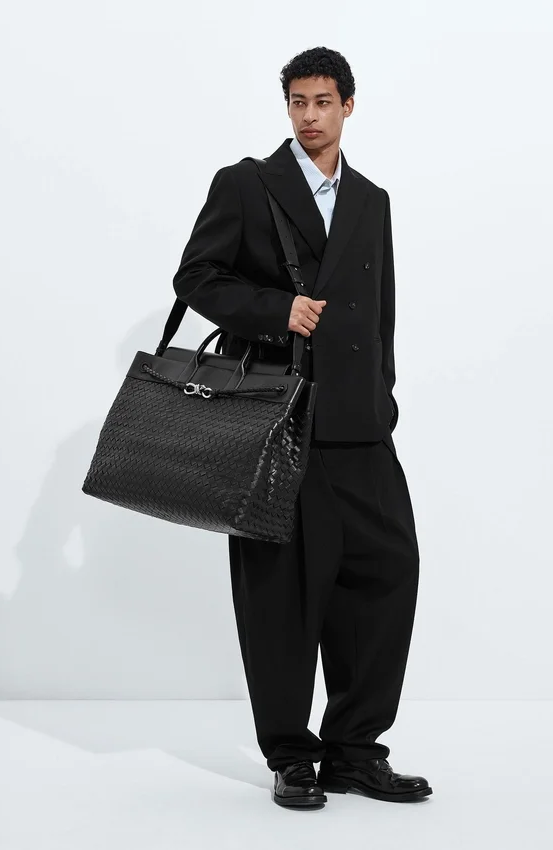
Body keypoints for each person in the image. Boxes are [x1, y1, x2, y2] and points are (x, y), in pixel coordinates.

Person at [173, 46, 432, 809]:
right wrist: (274, 310)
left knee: (387, 575)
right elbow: (195, 276)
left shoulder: (373, 200)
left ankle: (355, 751)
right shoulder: (247, 184)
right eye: (297, 102)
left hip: (360, 427)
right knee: (279, 594)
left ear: (348, 105)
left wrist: (382, 399)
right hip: (276, 423)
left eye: (322, 101)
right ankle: (291, 755)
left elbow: (381, 315)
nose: (309, 116)